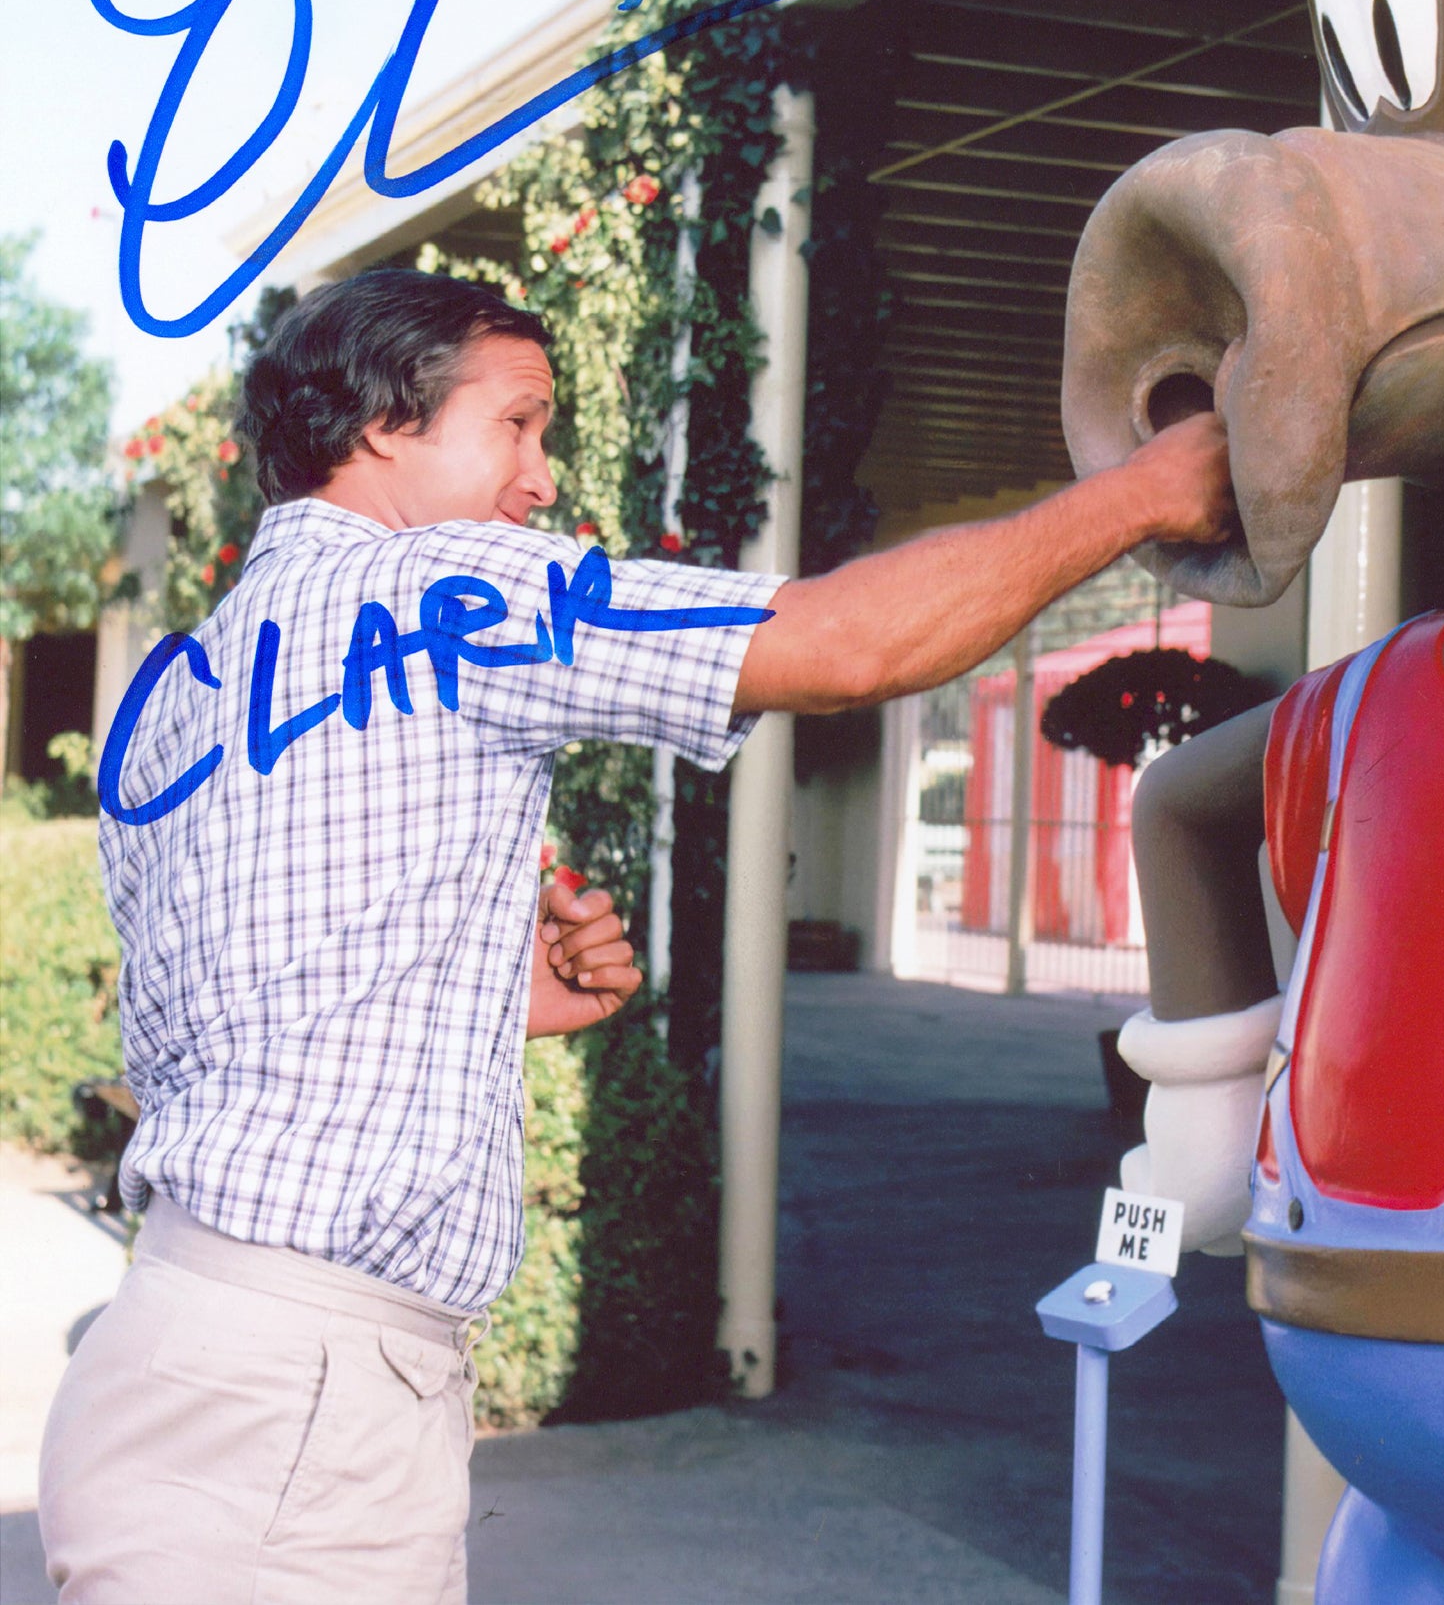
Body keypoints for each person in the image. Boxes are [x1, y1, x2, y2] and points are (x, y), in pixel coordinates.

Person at [37, 268, 1233, 1604]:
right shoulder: (441, 593)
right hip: (303, 1407)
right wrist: (1144, 495)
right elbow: (844, 644)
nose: (542, 481)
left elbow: (213, 1021)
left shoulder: (174, 695)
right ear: (382, 423)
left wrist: (482, 988)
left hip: (171, 1356)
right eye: (519, 424)